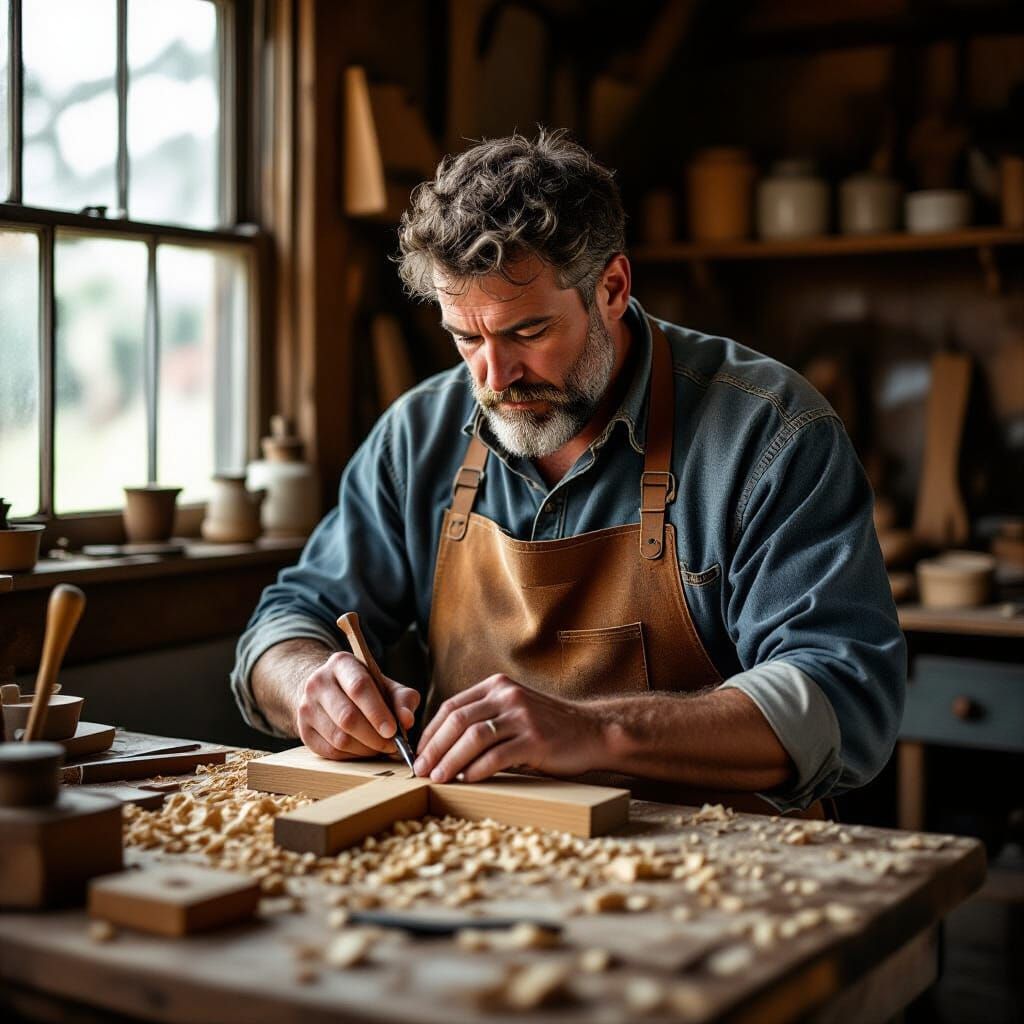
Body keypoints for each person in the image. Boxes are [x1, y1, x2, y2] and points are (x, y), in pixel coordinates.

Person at [231, 130, 905, 815]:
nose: (494, 379)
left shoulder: (770, 432)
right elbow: (283, 626)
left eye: (527, 333)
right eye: (466, 337)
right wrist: (311, 682)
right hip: (471, 861)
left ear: (610, 288)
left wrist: (596, 731)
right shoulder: (418, 435)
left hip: (715, 872)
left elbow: (843, 698)